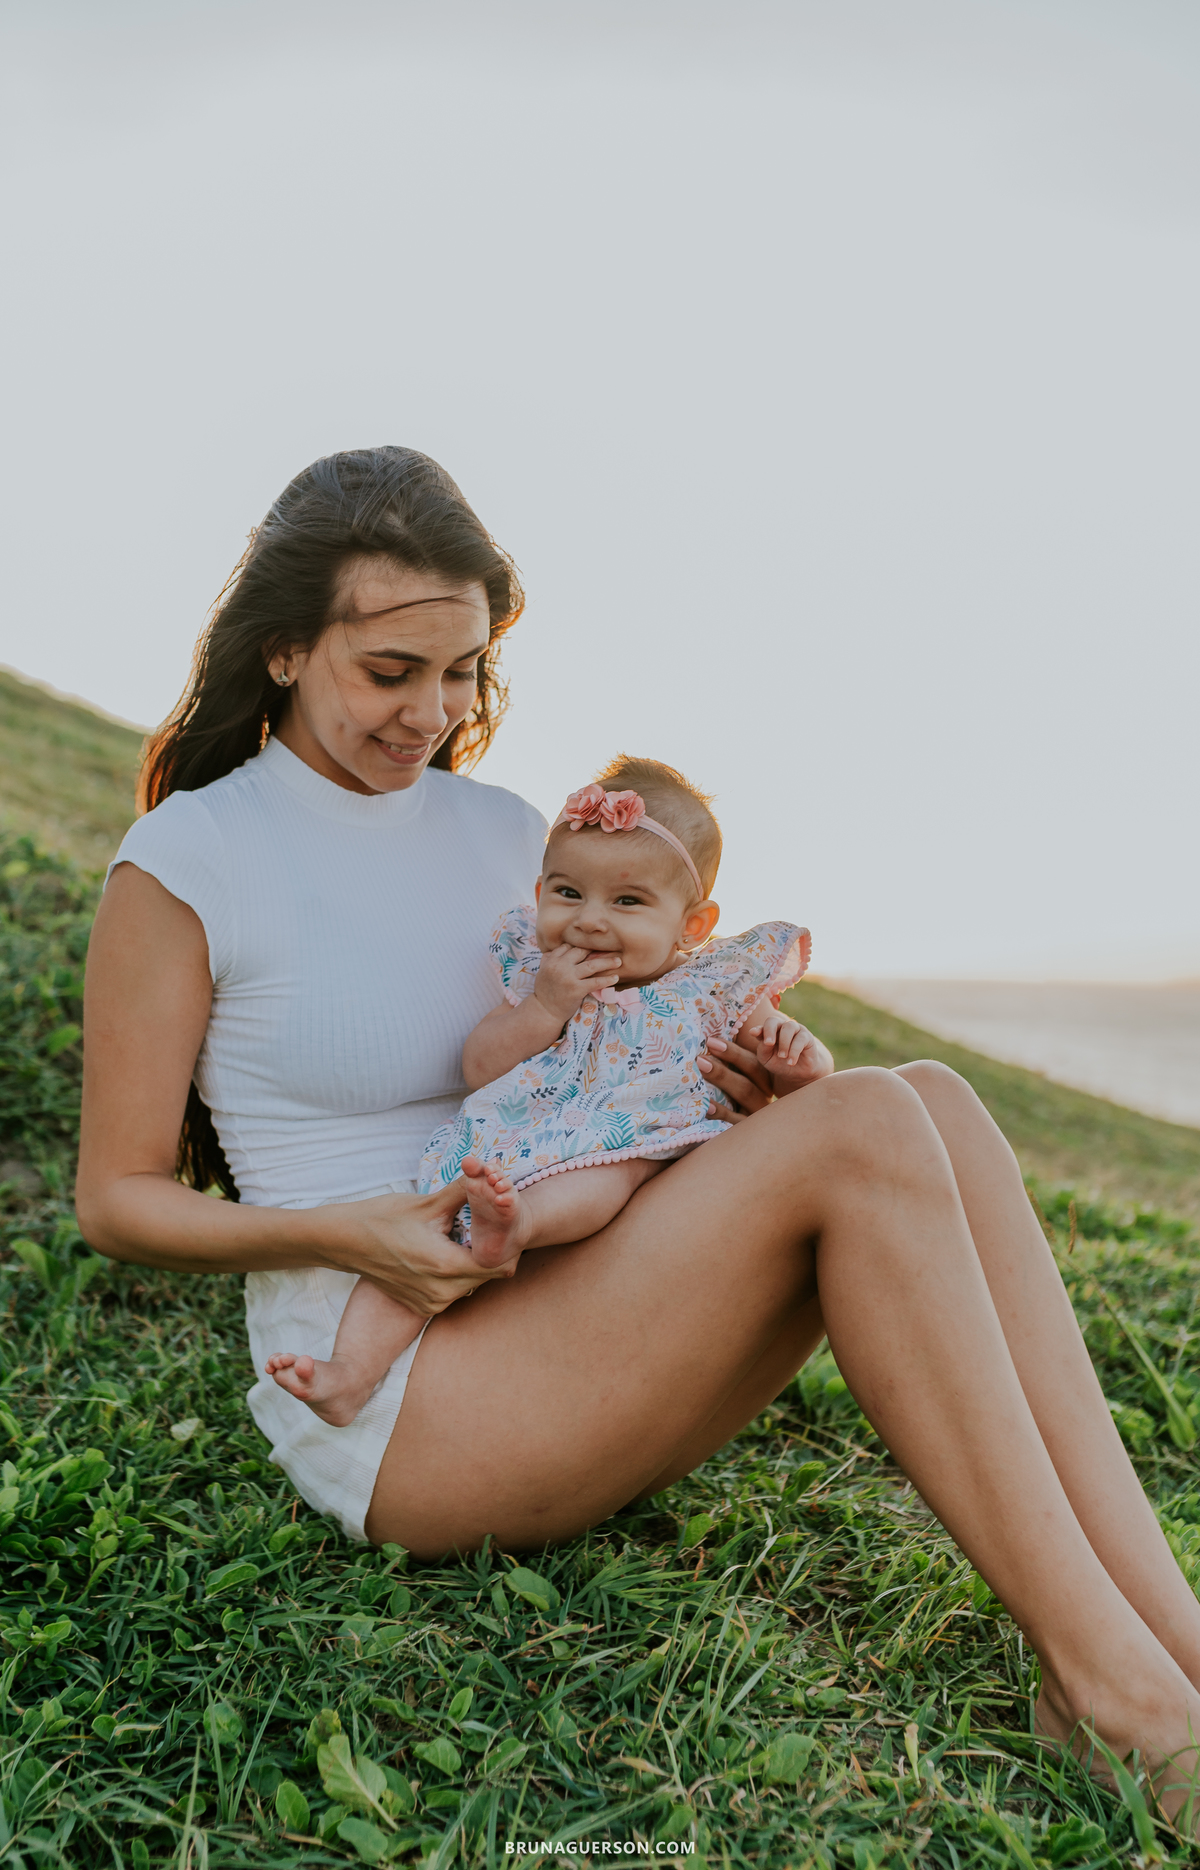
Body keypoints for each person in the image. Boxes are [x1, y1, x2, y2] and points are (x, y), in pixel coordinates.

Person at [77, 446, 1200, 1831]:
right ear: (290, 647)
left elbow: (602, 1058)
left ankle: (1173, 1640)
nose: (433, 710)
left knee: (932, 1101)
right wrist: (346, 1229)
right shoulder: (187, 864)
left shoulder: (505, 832)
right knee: (866, 1129)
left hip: (560, 1264)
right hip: (399, 1389)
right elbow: (117, 1200)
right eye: (391, 672)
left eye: (464, 672)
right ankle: (1116, 1698)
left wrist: (721, 1103)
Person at [262, 757, 820, 1425]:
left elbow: (785, 1055)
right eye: (567, 893)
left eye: (628, 902)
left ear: (692, 925)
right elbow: (480, 1064)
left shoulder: (716, 986)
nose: (588, 921)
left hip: (633, 1150)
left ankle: (519, 1225)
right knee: (424, 1228)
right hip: (519, 1142)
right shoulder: (538, 972)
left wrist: (800, 1070)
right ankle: (350, 1372)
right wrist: (543, 1009)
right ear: (540, 890)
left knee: (602, 1178)